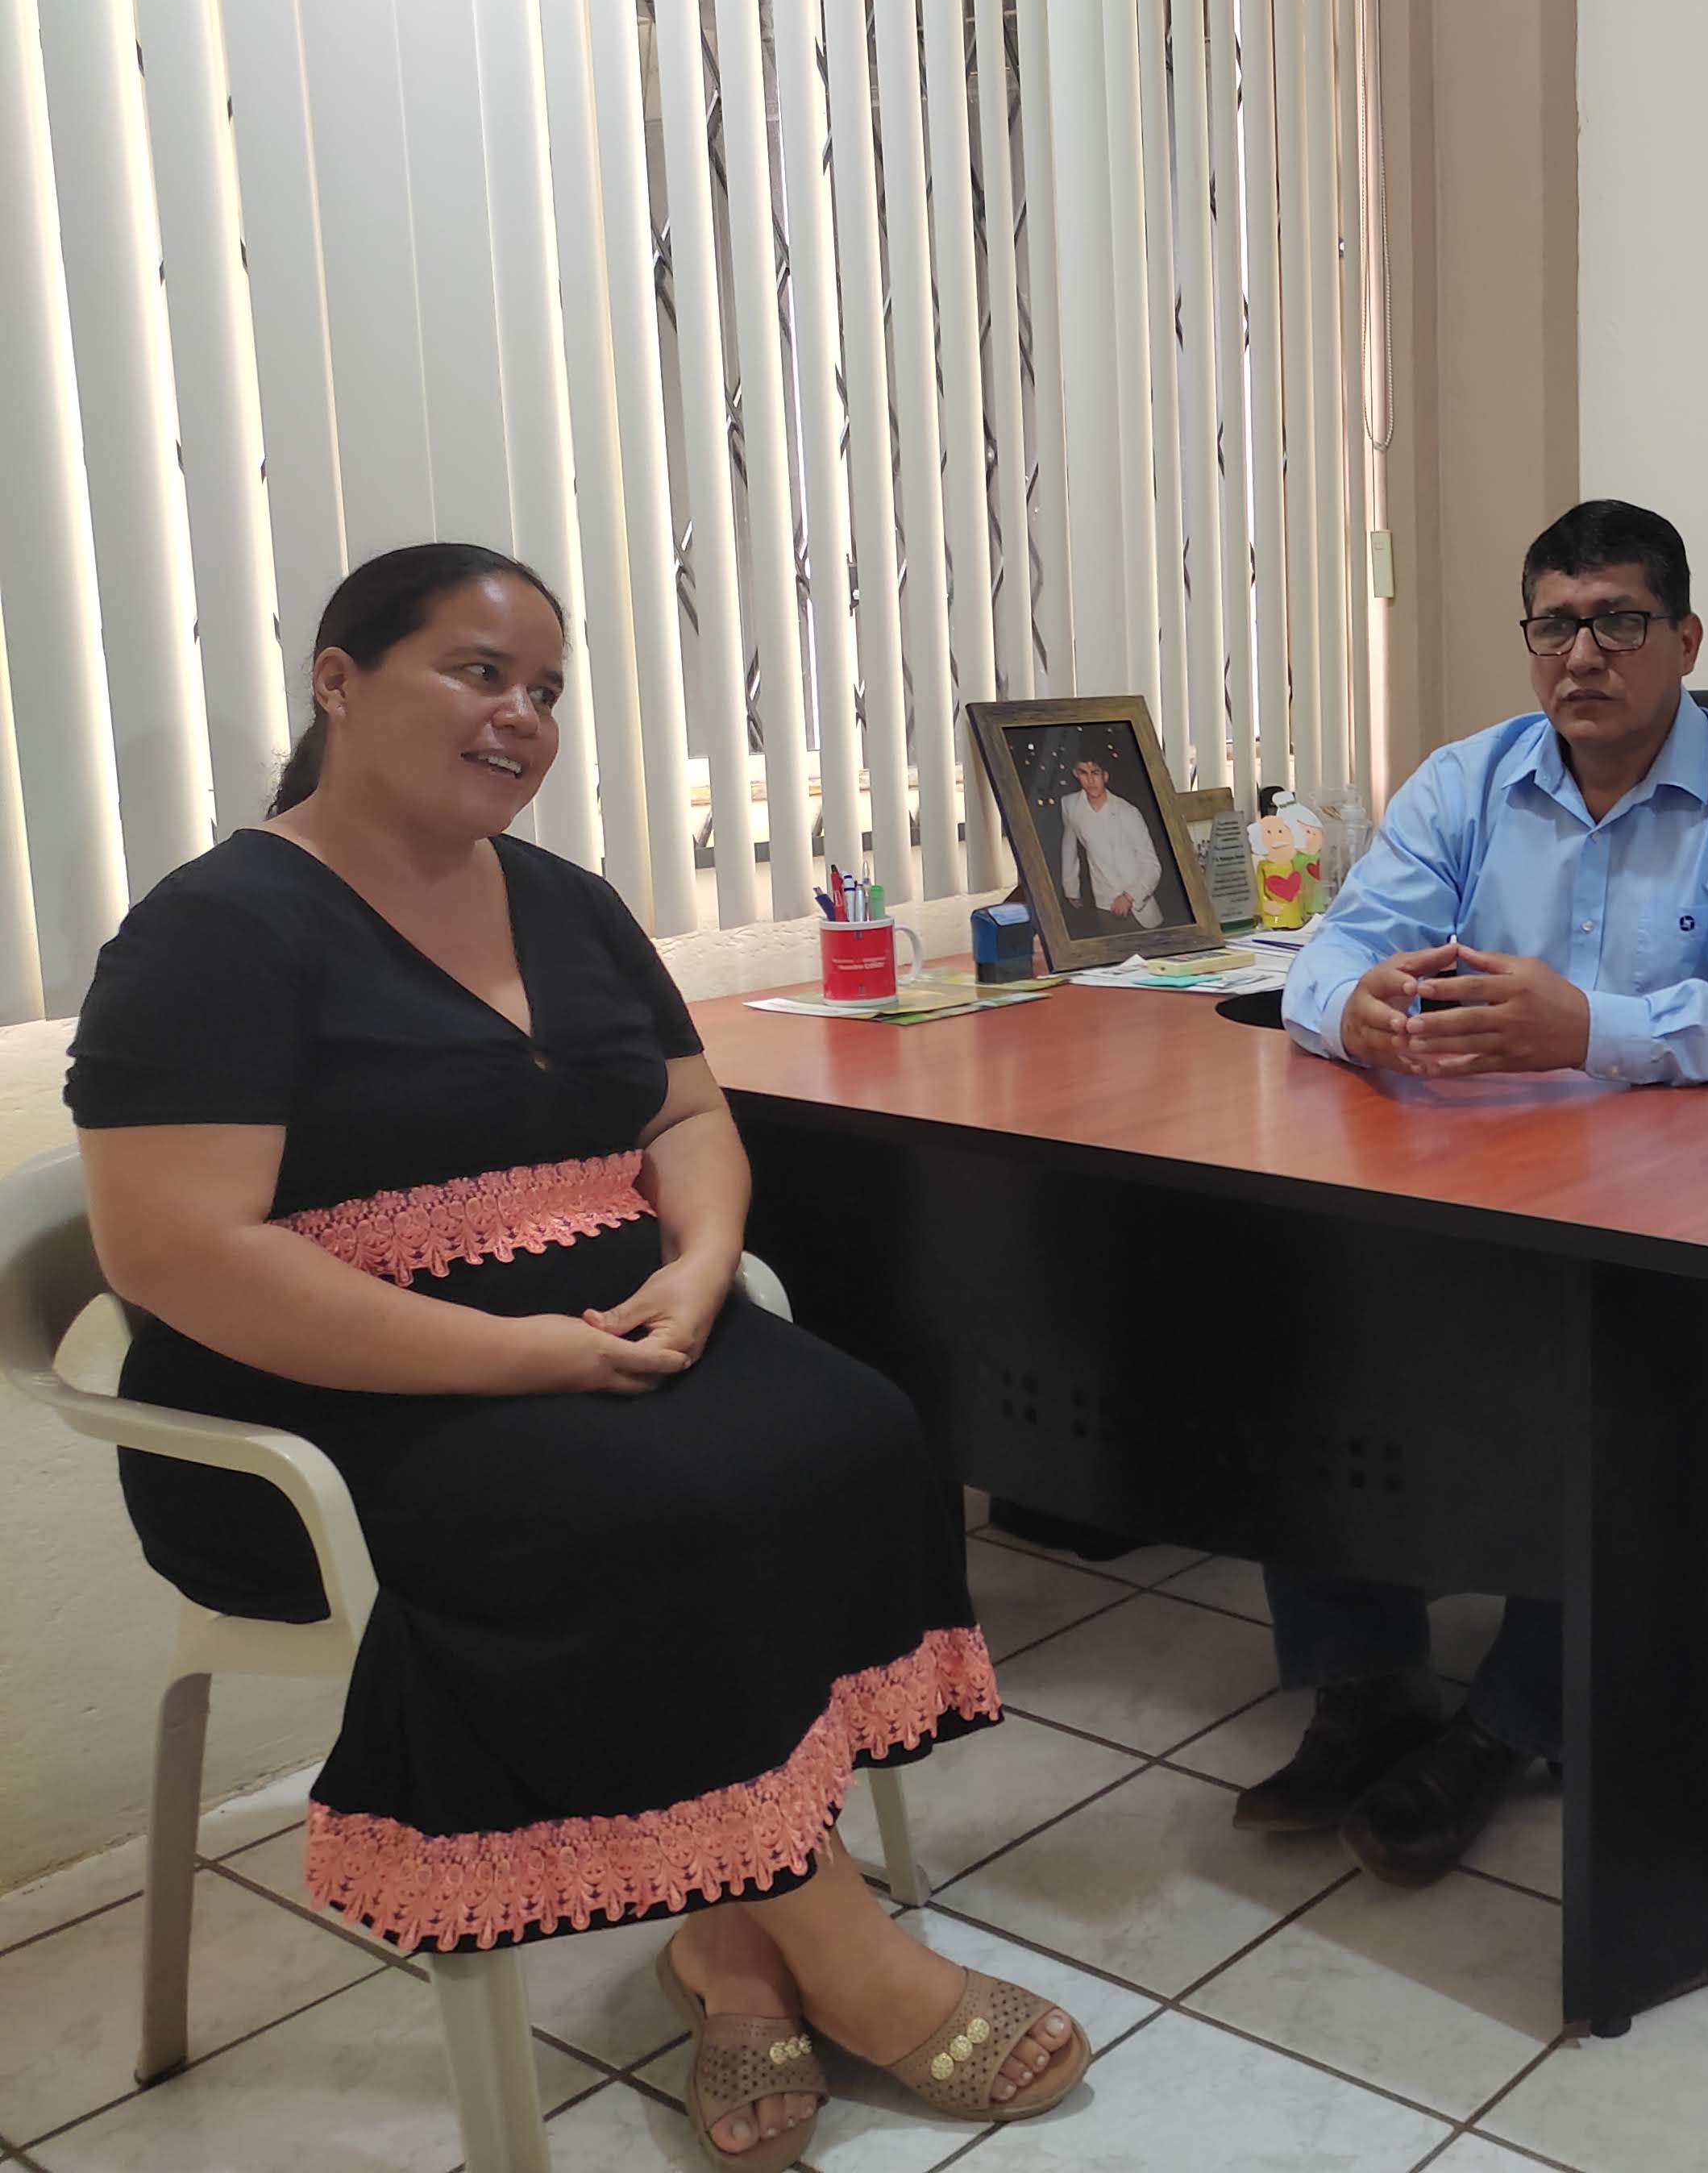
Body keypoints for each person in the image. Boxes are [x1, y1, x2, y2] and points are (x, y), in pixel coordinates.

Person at [66, 546, 1091, 2171]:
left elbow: (686, 1117)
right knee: (662, 1515)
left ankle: (730, 1947)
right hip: (326, 1404)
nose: (522, 715)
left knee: (862, 1429)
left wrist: (696, 1269)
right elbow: (175, 1254)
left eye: (545, 688)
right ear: (339, 680)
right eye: (479, 672)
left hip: (608, 1332)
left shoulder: (566, 901)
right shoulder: (213, 933)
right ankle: (842, 1950)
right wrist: (507, 1360)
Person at [1253, 497, 1708, 1883]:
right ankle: (1365, 1685)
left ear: (1686, 639)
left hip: (1687, 1218)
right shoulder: (1465, 783)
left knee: (1618, 1380)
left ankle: (1508, 1724)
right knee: (1306, 1320)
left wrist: (1591, 1029)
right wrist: (1350, 1010)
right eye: (1555, 626)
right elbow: (1334, 947)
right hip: (1477, 1192)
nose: (1583, 655)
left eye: (1619, 623)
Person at [1058, 739, 1166, 931]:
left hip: (1138, 907)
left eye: (1095, 773)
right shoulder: (1070, 805)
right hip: (1103, 905)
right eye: (1083, 773)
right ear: (1076, 774)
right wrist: (1071, 888)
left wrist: (1129, 896)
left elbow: (1152, 865)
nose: (1090, 780)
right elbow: (1069, 847)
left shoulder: (1128, 812)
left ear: (1105, 775)